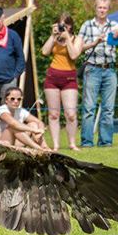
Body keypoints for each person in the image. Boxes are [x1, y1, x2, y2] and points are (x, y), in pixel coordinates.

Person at [78, 0, 118, 147]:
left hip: (109, 70)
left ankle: (105, 142)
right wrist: (94, 42)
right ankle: (87, 142)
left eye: (105, 8)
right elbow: (79, 48)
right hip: (92, 68)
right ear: (95, 8)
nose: (102, 10)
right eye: (99, 8)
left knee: (108, 109)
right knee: (89, 107)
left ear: (108, 10)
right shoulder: (87, 25)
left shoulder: (114, 25)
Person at [40, 12, 82, 151]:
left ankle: (72, 143)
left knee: (71, 114)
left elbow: (74, 55)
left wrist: (67, 39)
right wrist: (53, 36)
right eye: (59, 25)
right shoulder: (54, 38)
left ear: (70, 26)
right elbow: (45, 52)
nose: (62, 28)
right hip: (52, 78)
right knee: (53, 114)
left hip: (69, 79)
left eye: (64, 25)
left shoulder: (77, 39)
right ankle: (56, 145)